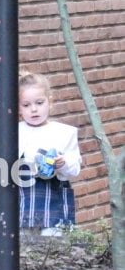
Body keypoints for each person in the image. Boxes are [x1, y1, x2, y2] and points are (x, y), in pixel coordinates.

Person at [18, 71, 81, 236]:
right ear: (18, 107)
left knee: (54, 249)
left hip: (54, 201)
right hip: (23, 202)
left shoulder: (64, 133)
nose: (33, 109)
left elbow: (74, 170)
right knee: (23, 250)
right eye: (26, 105)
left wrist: (63, 163)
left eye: (39, 103)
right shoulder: (14, 133)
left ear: (50, 101)